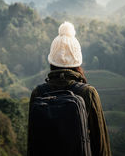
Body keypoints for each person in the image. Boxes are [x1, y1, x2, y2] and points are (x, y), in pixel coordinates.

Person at [27, 21, 111, 156]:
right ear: (78, 62)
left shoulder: (38, 93)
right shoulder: (87, 93)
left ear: (51, 62)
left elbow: (32, 145)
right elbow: (101, 147)